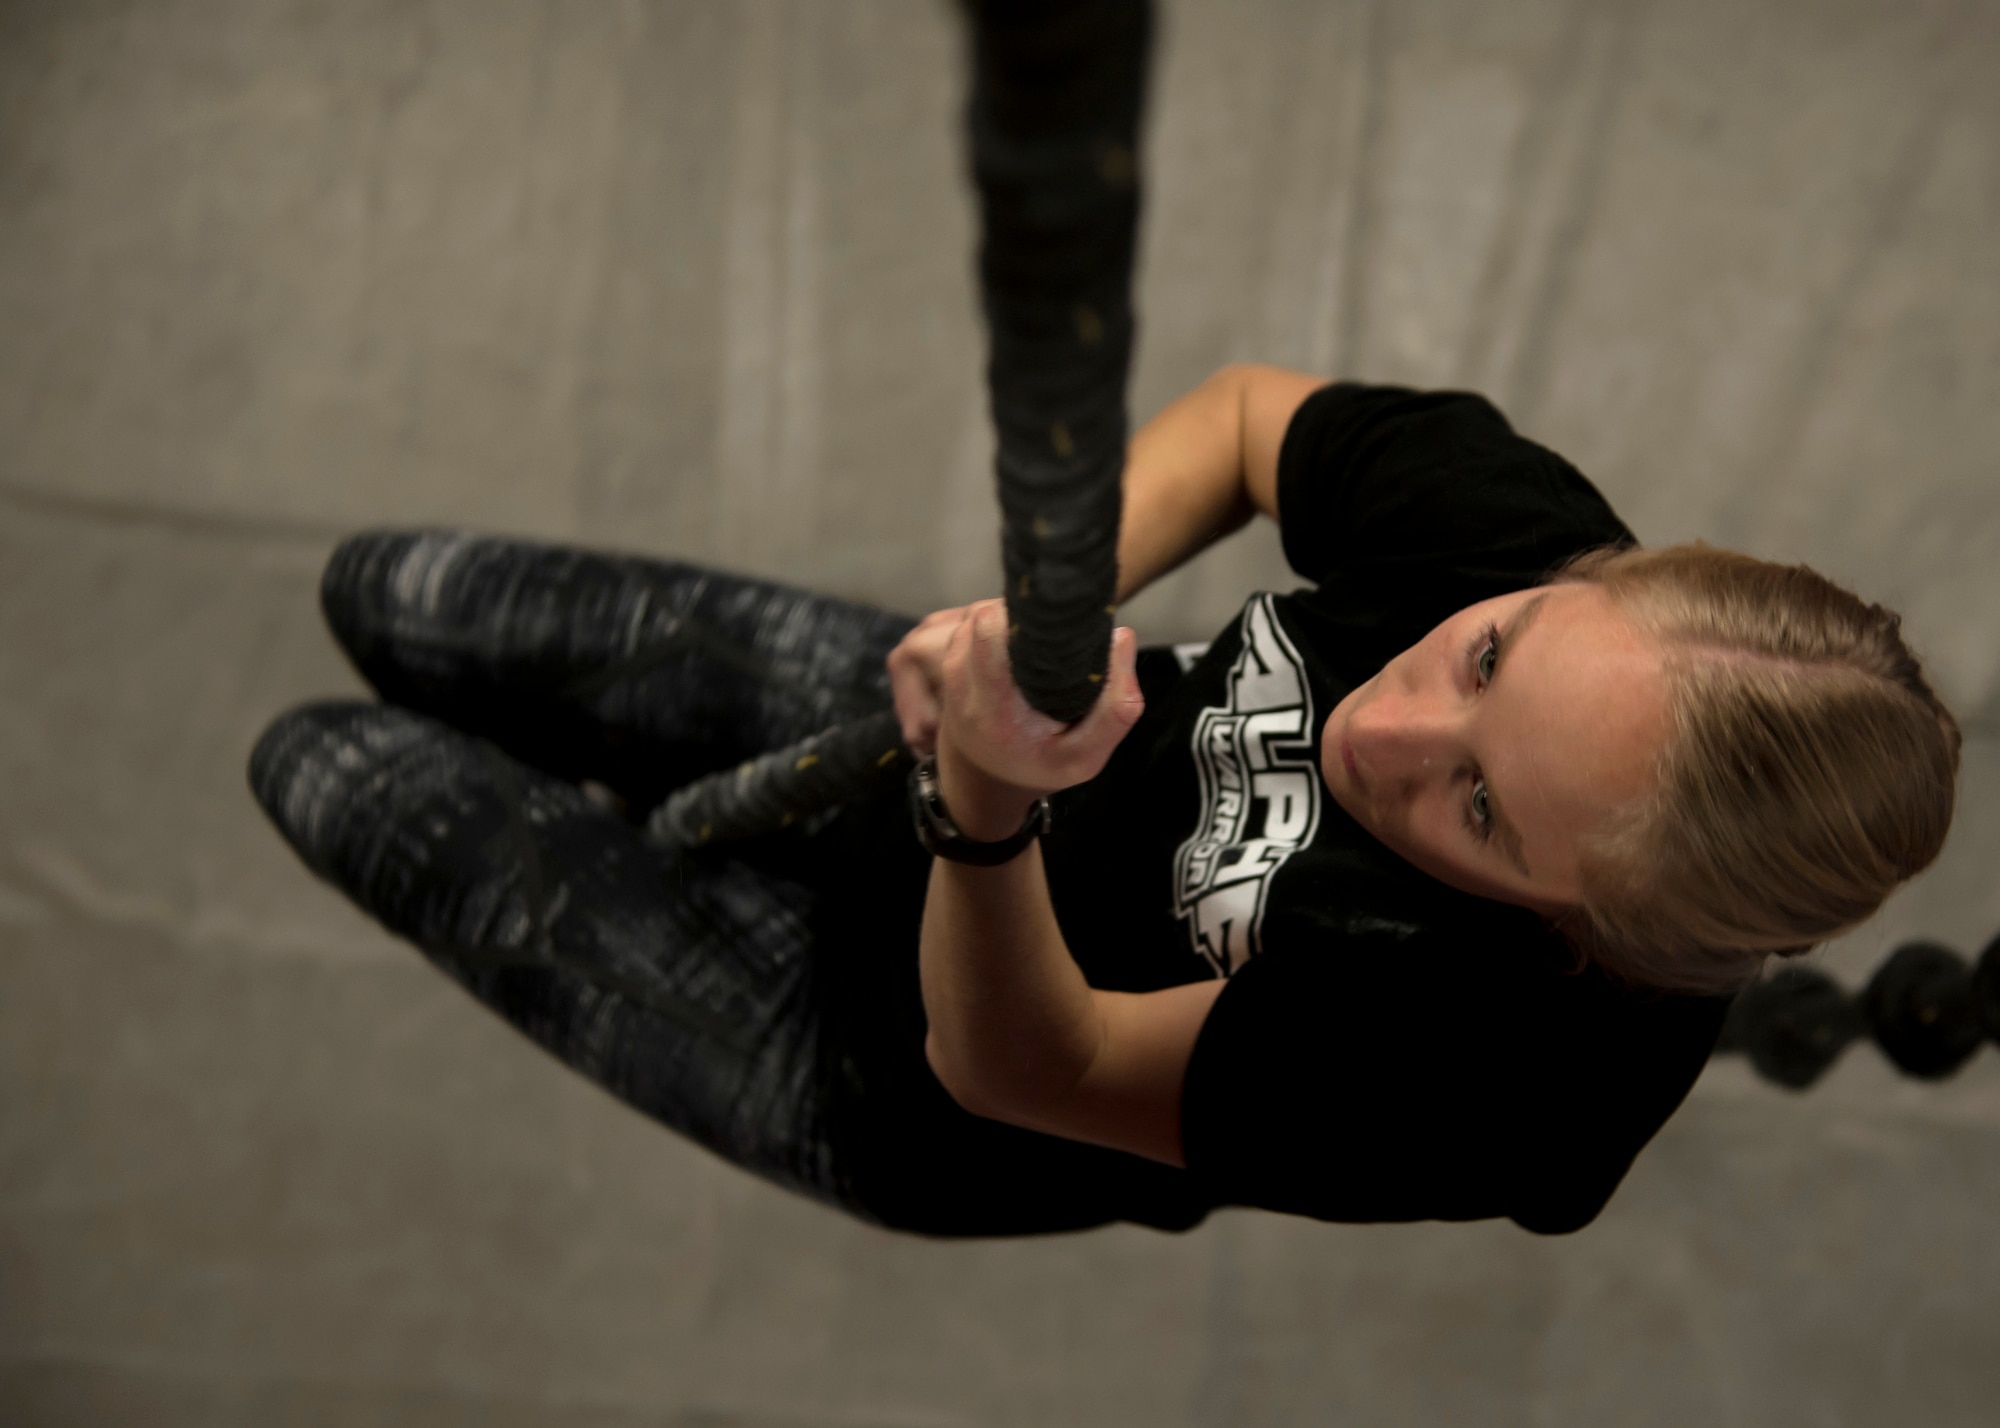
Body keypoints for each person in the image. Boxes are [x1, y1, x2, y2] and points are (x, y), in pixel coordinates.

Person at [250, 366, 1961, 1238]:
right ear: (1584, 580)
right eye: (1488, 658)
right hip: (952, 725)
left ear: (1584, 937)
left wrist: (986, 810)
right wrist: (1038, 619)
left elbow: (1032, 1064)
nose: (1389, 728)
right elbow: (1233, 426)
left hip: (875, 1059)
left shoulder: (1524, 1091)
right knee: (386, 584)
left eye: (1484, 817)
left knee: (326, 770)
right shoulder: (1519, 532)